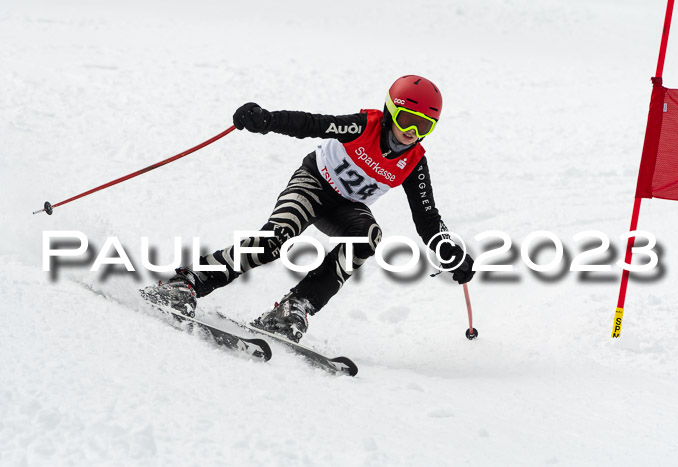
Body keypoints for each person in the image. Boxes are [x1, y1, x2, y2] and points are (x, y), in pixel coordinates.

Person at [141, 75, 475, 342]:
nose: (410, 134)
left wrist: (451, 252)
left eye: (423, 128)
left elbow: (428, 218)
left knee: (368, 236)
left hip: (346, 208)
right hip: (314, 183)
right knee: (274, 241)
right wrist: (267, 120)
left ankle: (293, 307)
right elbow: (313, 124)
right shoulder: (363, 126)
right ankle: (186, 283)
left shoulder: (414, 162)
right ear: (389, 113)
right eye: (406, 120)